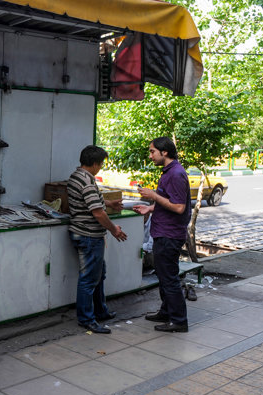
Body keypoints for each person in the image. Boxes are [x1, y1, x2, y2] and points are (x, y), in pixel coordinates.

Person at [133, 137, 192, 333]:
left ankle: (179, 320)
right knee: (163, 275)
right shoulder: (169, 172)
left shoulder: (175, 174)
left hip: (170, 234)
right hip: (162, 231)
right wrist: (150, 208)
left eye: (152, 152)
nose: (150, 156)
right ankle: (166, 311)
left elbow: (178, 207)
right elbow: (168, 201)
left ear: (164, 152)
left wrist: (153, 196)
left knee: (169, 278)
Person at [67, 145, 127, 334]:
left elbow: (94, 202)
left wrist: (109, 202)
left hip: (83, 232)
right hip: (89, 235)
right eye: (100, 164)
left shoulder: (77, 176)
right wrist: (114, 230)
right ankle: (86, 319)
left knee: (99, 274)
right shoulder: (87, 181)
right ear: (94, 163)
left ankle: (100, 311)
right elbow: (98, 213)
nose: (100, 167)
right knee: (89, 278)